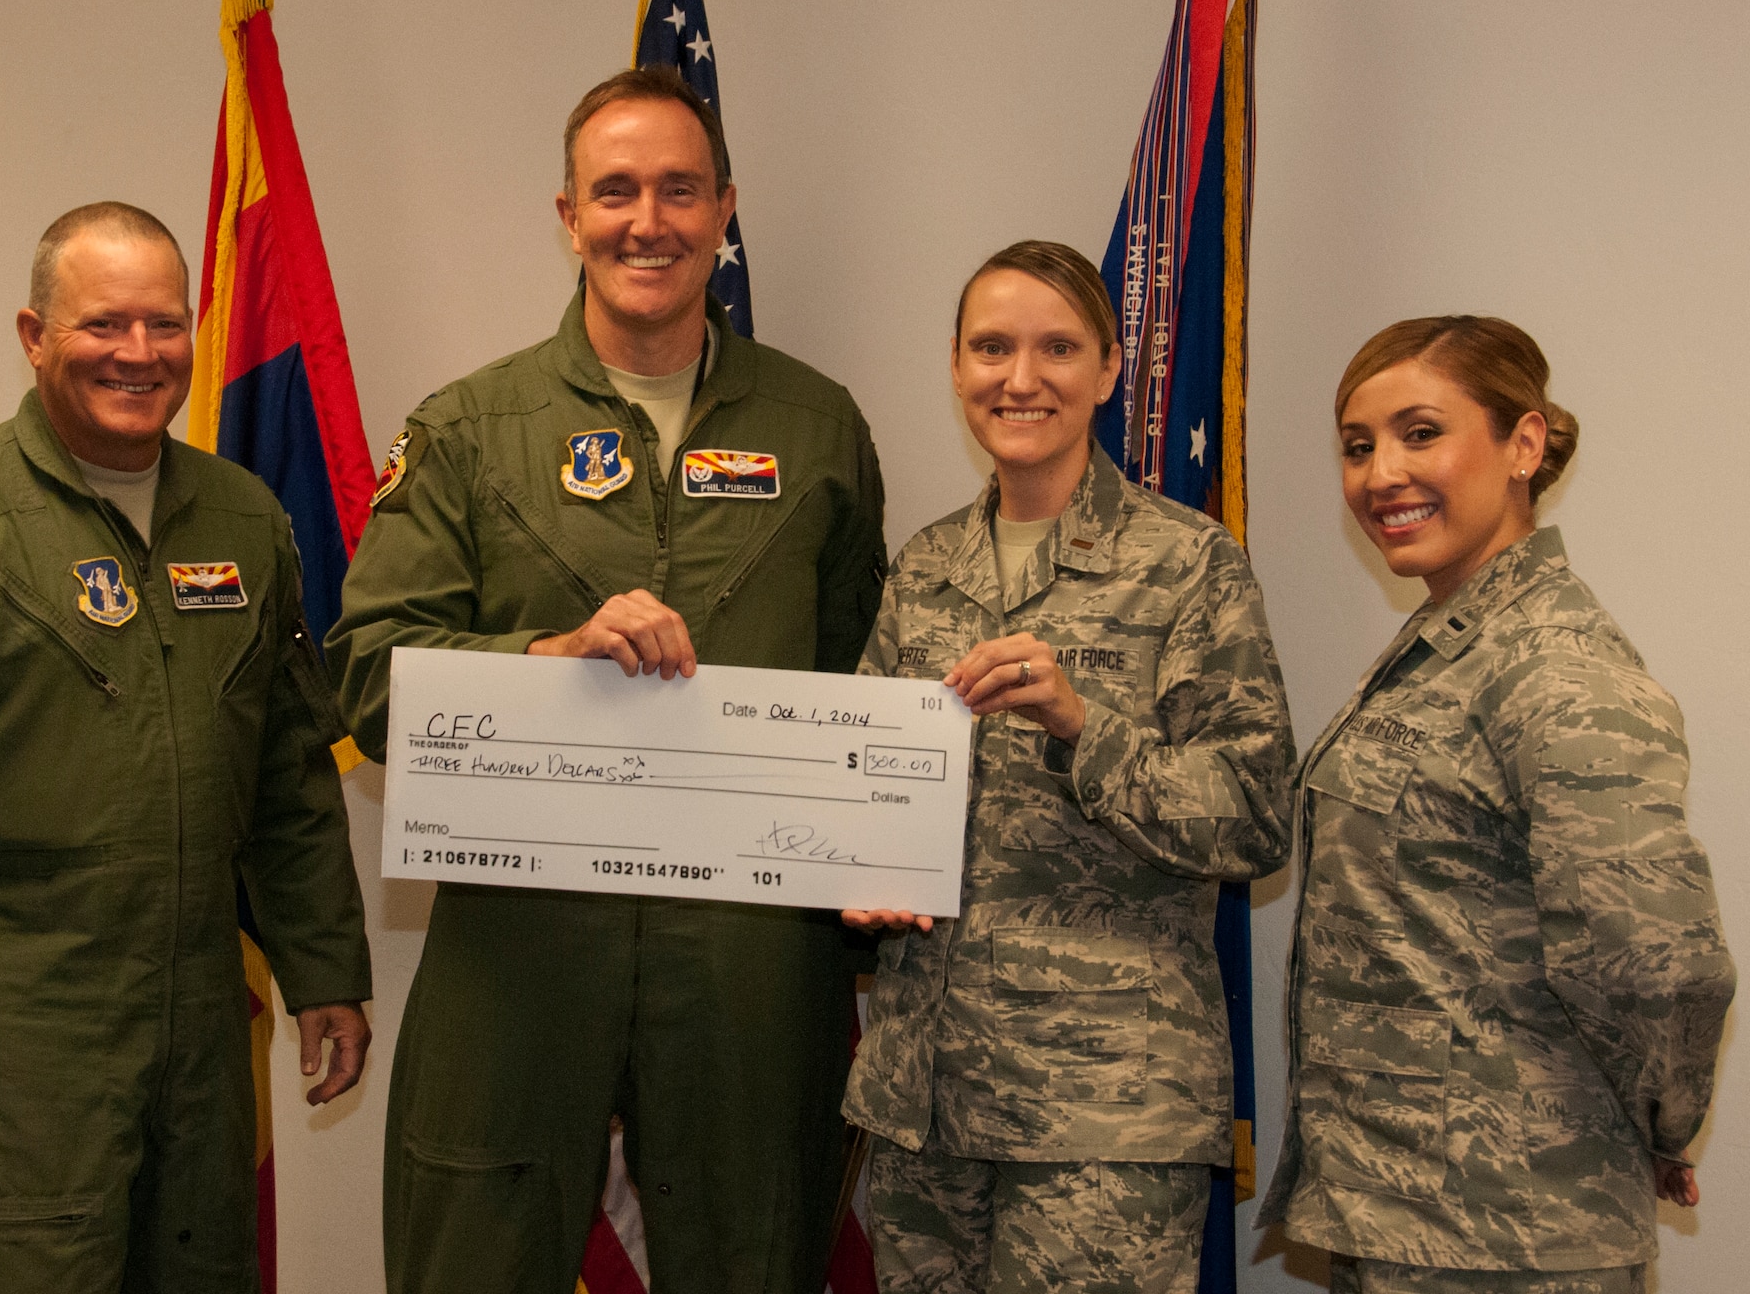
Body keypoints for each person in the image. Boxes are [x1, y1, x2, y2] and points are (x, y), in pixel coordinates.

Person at [325, 67, 886, 1293]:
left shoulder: (818, 426)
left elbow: (859, 683)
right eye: (616, 190)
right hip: (520, 954)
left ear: (724, 208)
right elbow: (365, 682)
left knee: (755, 1250)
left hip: (745, 969)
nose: (649, 220)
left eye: (679, 189)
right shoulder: (471, 429)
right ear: (567, 213)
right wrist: (547, 660)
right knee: (472, 1252)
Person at [0, 201, 374, 1294]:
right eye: (104, 324)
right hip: (6, 1042)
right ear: (33, 333)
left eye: (163, 324)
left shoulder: (244, 520)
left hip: (199, 1035)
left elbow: (287, 773)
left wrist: (323, 966)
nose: (139, 354)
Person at [840, 240, 1295, 1292]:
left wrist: (1083, 726)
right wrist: (852, 873)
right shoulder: (923, 567)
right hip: (922, 1100)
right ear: (955, 367)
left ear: (1106, 370)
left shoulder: (1188, 565)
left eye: (1055, 348)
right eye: (991, 347)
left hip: (1103, 1113)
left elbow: (1254, 819)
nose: (1019, 377)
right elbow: (863, 779)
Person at [1258, 316, 1736, 1294]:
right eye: (1356, 446)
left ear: (1522, 442)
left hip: (1508, 1237)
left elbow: (1657, 962)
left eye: (1418, 431)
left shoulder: (1555, 667)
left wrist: (1648, 1123)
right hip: (1405, 1219)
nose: (1380, 472)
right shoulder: (1448, 637)